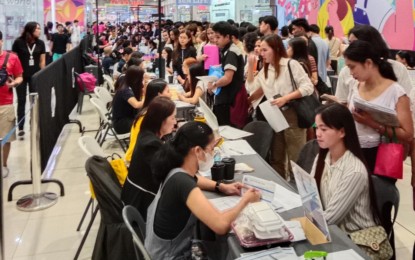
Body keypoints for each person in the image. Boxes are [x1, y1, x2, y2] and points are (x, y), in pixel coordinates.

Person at [145, 121, 261, 259]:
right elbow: (221, 225)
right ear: (198, 151)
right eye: (211, 149)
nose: (212, 153)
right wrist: (246, 201)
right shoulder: (182, 182)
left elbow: (196, 179)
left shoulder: (175, 168)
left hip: (160, 251)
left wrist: (220, 186)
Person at [245, 34, 314, 180]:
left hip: (292, 114)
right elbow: (250, 86)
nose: (261, 53)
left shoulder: (291, 64)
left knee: (296, 158)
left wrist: (286, 98)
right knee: (277, 156)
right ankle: (282, 187)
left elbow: (308, 87)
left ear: (275, 49)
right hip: (274, 115)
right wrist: (251, 67)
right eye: (260, 50)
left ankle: (299, 191)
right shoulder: (266, 68)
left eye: (264, 50)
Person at [344, 40, 413, 173]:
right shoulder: (355, 86)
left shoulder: (396, 92)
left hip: (382, 154)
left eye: (352, 67)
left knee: (378, 191)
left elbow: (408, 135)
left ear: (368, 63)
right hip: (353, 150)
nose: (351, 73)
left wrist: (371, 123)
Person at [311, 103, 378, 233]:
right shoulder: (323, 157)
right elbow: (311, 195)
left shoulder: (354, 170)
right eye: (316, 128)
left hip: (355, 239)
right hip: (333, 231)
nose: (318, 134)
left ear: (342, 132)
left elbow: (330, 218)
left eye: (323, 129)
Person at [122, 96, 177, 219]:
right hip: (143, 206)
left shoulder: (147, 134)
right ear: (160, 120)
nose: (175, 122)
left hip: (137, 198)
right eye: (172, 118)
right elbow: (175, 174)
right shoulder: (151, 144)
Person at [335, 25, 413, 103]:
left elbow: (408, 102)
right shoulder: (346, 72)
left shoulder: (398, 68)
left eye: (355, 43)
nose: (350, 48)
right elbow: (342, 102)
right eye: (350, 43)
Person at [124, 79, 172, 164]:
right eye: (168, 91)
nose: (171, 95)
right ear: (159, 95)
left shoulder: (148, 110)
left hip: (138, 156)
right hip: (136, 161)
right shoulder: (148, 115)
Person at [12, 22, 46, 139]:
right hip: (20, 76)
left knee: (34, 100)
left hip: (35, 76)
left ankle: (33, 124)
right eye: (37, 28)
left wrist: (42, 75)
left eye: (39, 28)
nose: (39, 30)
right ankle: (21, 128)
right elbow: (13, 59)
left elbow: (42, 61)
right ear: (30, 30)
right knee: (21, 101)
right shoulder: (18, 42)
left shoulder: (40, 43)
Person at [208, 21, 245, 126]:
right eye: (214, 37)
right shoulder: (226, 50)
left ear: (227, 37)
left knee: (225, 127)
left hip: (230, 98)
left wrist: (213, 86)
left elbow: (228, 78)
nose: (215, 40)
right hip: (227, 96)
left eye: (218, 37)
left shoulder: (231, 52)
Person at [0, 30, 24, 177]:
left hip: (6, 103)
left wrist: (15, 83)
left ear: (1, 41)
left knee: (6, 137)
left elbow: (20, 76)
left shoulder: (12, 58)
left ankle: (4, 164)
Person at [111, 65, 144, 134]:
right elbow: (136, 105)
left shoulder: (127, 86)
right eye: (141, 78)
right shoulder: (125, 90)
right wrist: (150, 98)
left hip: (125, 119)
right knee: (148, 123)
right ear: (136, 78)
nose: (142, 79)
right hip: (121, 124)